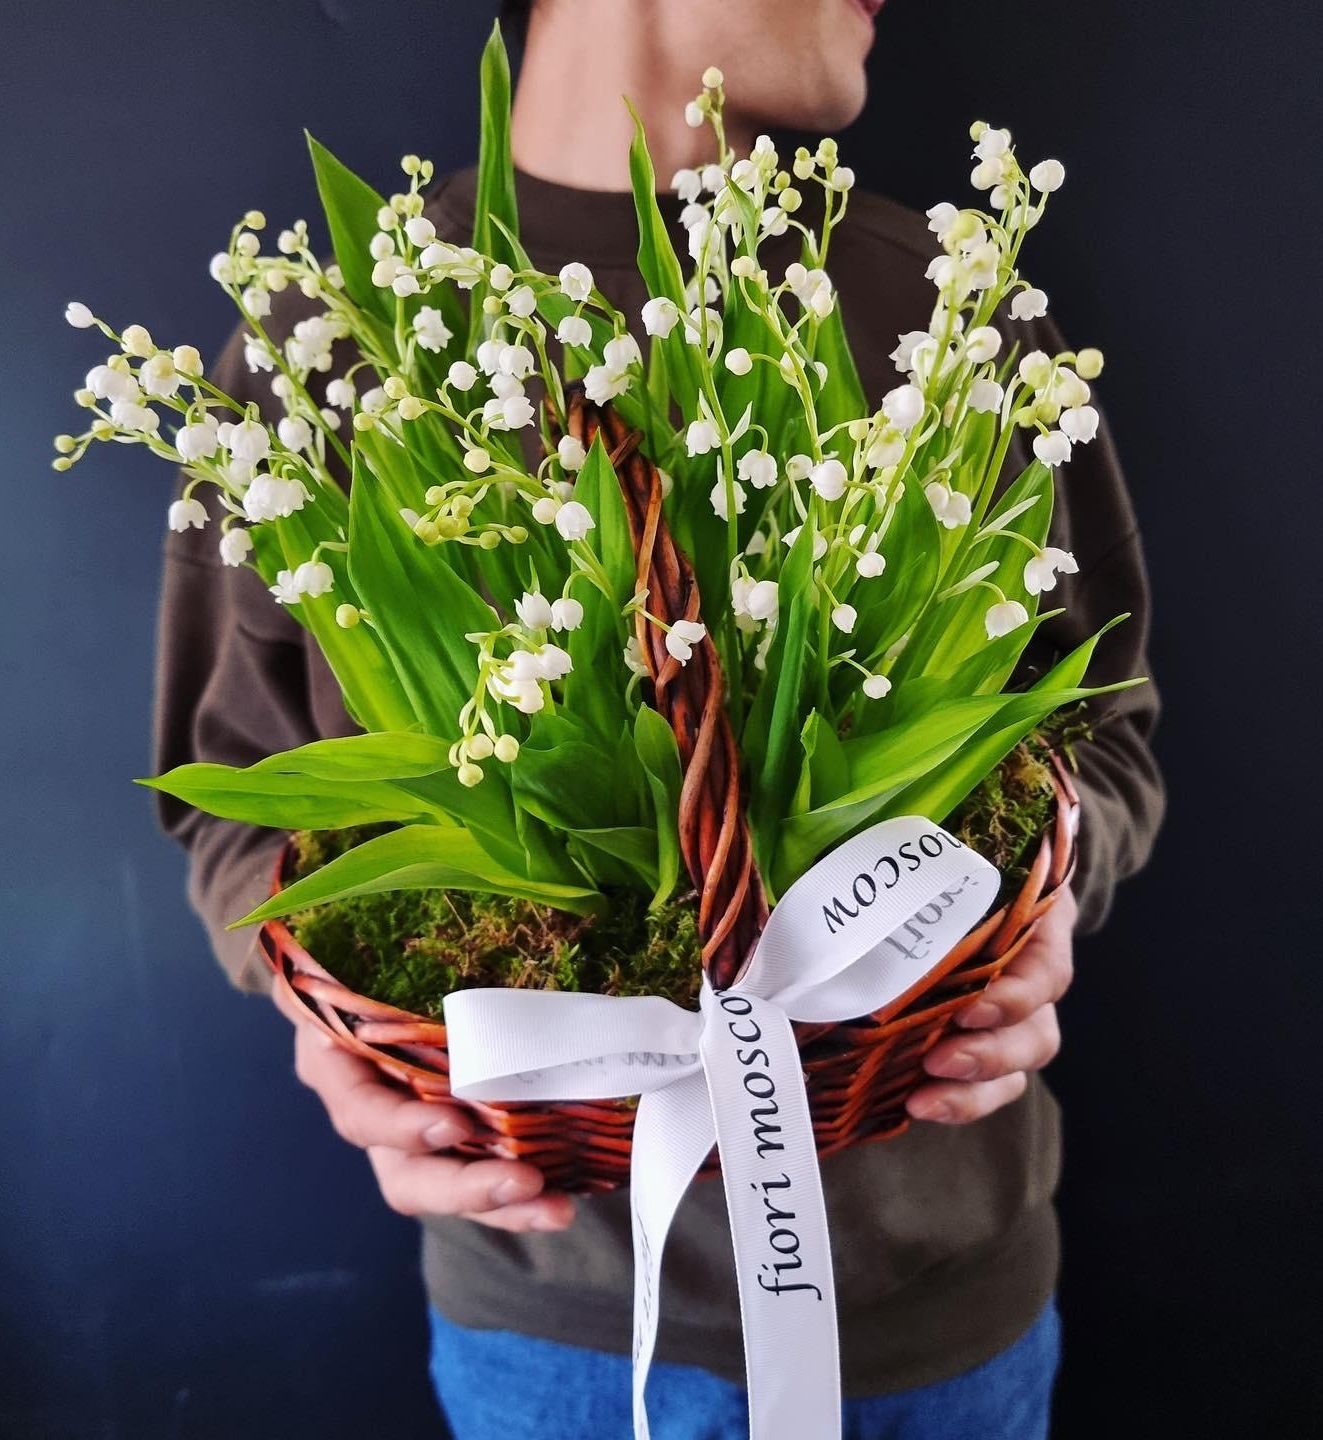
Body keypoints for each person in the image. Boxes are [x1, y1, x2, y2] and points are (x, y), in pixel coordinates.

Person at [152, 1, 1164, 1434]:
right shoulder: (327, 356)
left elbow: (1104, 735)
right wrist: (327, 1012)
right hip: (553, 1322)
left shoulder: (954, 314)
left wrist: (1046, 894)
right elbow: (228, 800)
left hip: (940, 1309)